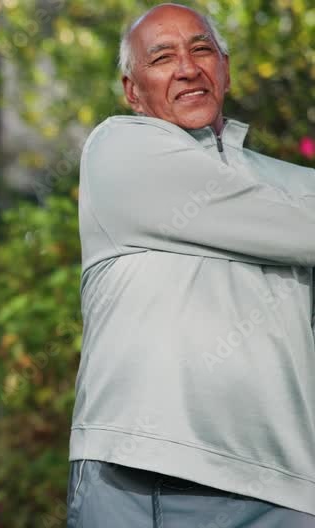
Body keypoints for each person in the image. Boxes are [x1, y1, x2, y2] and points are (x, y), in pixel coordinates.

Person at [68, 4, 315, 525]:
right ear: (132, 91)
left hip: (285, 490)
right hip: (142, 473)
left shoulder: (285, 183)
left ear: (224, 68)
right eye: (162, 57)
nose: (186, 67)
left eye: (201, 49)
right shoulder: (118, 151)